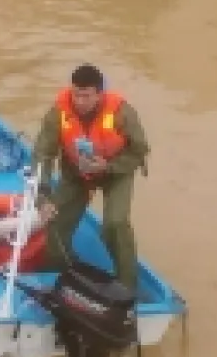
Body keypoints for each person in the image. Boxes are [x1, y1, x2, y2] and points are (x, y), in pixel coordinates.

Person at [30, 64, 149, 292]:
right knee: (53, 221)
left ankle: (127, 286)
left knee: (115, 223)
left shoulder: (122, 112)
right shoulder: (59, 113)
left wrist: (110, 165)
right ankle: (60, 275)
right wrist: (42, 196)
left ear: (99, 94)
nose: (80, 102)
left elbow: (139, 151)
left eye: (86, 96)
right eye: (76, 94)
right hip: (77, 173)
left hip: (115, 172)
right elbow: (42, 154)